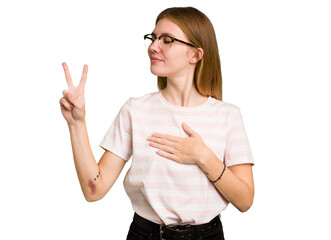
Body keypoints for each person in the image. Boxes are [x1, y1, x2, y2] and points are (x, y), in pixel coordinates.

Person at [60, 6, 254, 240]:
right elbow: (94, 190)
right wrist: (76, 124)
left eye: (166, 40)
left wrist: (203, 156)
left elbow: (245, 201)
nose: (153, 46)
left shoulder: (227, 116)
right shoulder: (136, 109)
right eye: (153, 38)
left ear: (195, 55)